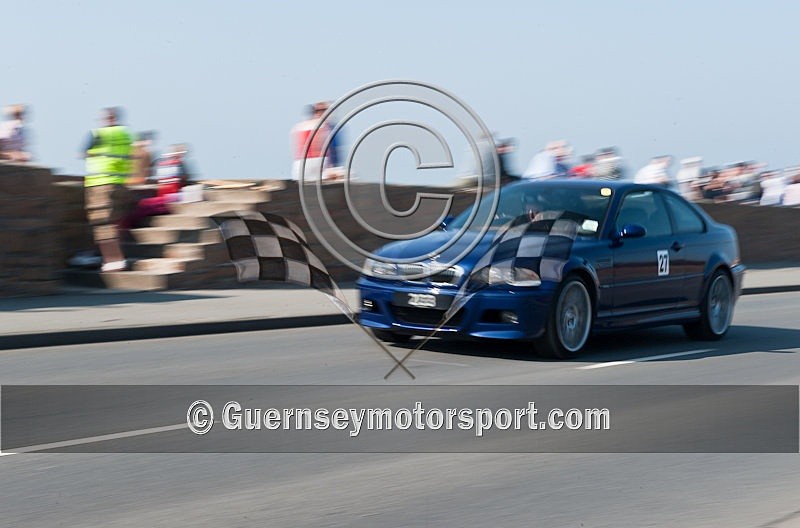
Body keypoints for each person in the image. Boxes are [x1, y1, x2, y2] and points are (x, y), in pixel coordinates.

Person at [82, 107, 133, 272]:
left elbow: (84, 153)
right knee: (114, 222)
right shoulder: (125, 134)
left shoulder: (98, 133)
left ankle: (113, 260)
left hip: (99, 182)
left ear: (107, 118)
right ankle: (111, 257)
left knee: (102, 224)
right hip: (118, 182)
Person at [122, 144, 192, 229]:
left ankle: (126, 226)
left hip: (171, 197)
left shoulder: (165, 164)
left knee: (143, 206)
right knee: (142, 206)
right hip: (169, 196)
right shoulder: (172, 164)